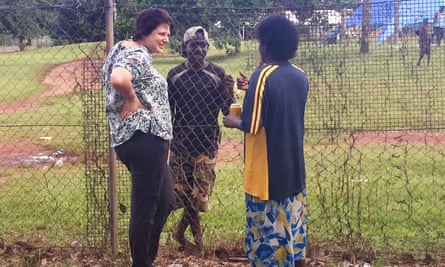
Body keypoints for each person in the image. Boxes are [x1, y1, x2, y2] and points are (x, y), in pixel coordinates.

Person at [223, 15, 309, 267]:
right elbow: (276, 108)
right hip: (294, 174)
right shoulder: (299, 76)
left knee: (267, 248)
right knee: (293, 237)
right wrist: (251, 90)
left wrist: (232, 120)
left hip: (266, 179)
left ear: (266, 46)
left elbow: (252, 123)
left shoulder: (262, 75)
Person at [102, 8, 175, 267]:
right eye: (161, 33)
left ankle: (145, 258)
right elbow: (119, 78)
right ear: (145, 31)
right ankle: (142, 263)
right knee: (145, 208)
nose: (166, 38)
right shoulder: (137, 53)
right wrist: (132, 99)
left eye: (168, 33)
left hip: (138, 139)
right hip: (144, 138)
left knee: (166, 200)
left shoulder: (122, 48)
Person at [167, 26, 235, 255]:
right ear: (184, 48)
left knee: (200, 196)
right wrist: (170, 140)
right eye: (193, 45)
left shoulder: (218, 74)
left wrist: (229, 91)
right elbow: (169, 112)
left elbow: (228, 111)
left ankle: (182, 234)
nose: (199, 49)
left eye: (203, 45)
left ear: (208, 47)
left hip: (206, 143)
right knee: (183, 194)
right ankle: (199, 245)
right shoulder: (175, 75)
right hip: (181, 142)